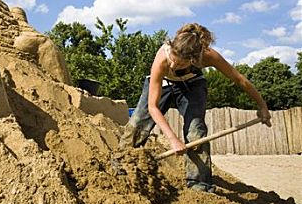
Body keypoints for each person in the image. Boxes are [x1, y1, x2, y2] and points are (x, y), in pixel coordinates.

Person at [116, 23, 271, 192]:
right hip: (164, 85)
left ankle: (199, 184)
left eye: (180, 65)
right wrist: (173, 139)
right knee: (137, 124)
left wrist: (262, 105)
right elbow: (153, 107)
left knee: (196, 130)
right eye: (173, 61)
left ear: (195, 60)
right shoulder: (162, 58)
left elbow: (240, 79)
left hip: (192, 86)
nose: (174, 67)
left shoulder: (209, 56)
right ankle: (119, 166)